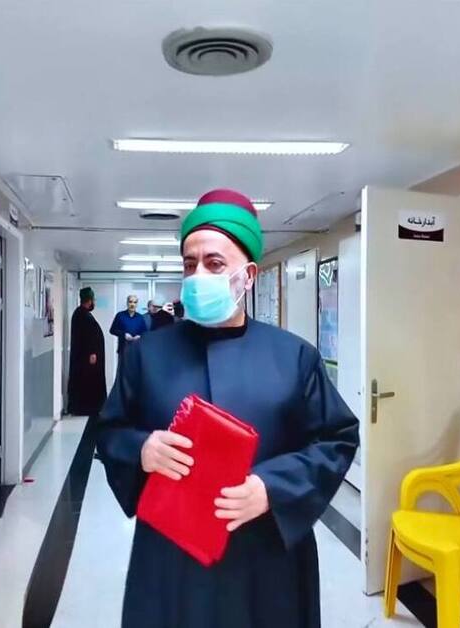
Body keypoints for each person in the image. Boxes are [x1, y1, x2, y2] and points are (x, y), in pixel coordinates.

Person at [97, 189, 359, 628]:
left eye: (214, 264)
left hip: (266, 557)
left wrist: (272, 488)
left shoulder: (293, 357)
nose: (198, 275)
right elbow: (109, 431)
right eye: (190, 264)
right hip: (171, 559)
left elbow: (337, 439)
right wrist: (141, 449)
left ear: (248, 275)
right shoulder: (147, 355)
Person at [67, 286, 106, 417]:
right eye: (93, 300)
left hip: (87, 357)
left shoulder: (82, 314)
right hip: (86, 359)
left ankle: (91, 406)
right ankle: (86, 407)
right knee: (87, 381)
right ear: (89, 300)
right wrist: (92, 352)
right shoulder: (81, 315)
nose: (94, 302)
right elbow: (86, 337)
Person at [110, 294, 147, 359]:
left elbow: (145, 333)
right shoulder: (120, 315)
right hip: (123, 349)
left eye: (135, 302)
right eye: (130, 302)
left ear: (137, 304)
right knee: (123, 365)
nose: (132, 304)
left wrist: (140, 336)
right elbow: (112, 330)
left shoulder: (140, 317)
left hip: (136, 349)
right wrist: (124, 334)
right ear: (127, 303)